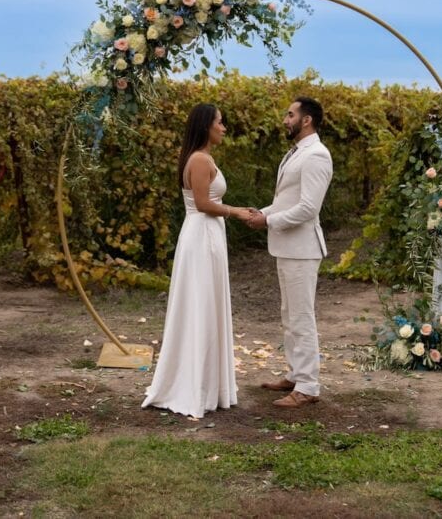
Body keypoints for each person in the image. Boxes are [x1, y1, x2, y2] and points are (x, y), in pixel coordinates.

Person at [142, 103, 252, 418]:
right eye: (220, 122)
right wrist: (236, 211)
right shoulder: (201, 159)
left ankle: (207, 384)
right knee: (201, 305)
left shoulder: (199, 156)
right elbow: (203, 203)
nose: (224, 127)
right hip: (202, 236)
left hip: (205, 235)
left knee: (205, 304)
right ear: (206, 125)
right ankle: (196, 386)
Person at [246, 96, 333, 407]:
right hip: (287, 247)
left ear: (306, 120)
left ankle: (308, 387)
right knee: (289, 315)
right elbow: (288, 200)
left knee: (301, 317)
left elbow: (309, 208)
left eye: (290, 114)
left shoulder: (317, 156)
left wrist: (267, 220)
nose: (285, 120)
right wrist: (262, 212)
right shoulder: (296, 153)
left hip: (303, 248)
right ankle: (296, 374)